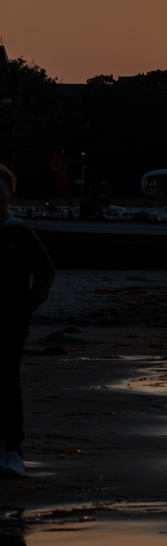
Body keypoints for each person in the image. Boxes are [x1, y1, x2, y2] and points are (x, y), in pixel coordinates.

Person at [0, 166, 55, 478]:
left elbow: (46, 271)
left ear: (11, 197)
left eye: (0, 192)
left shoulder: (22, 235)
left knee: (7, 384)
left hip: (13, 323)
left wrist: (32, 302)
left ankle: (13, 451)